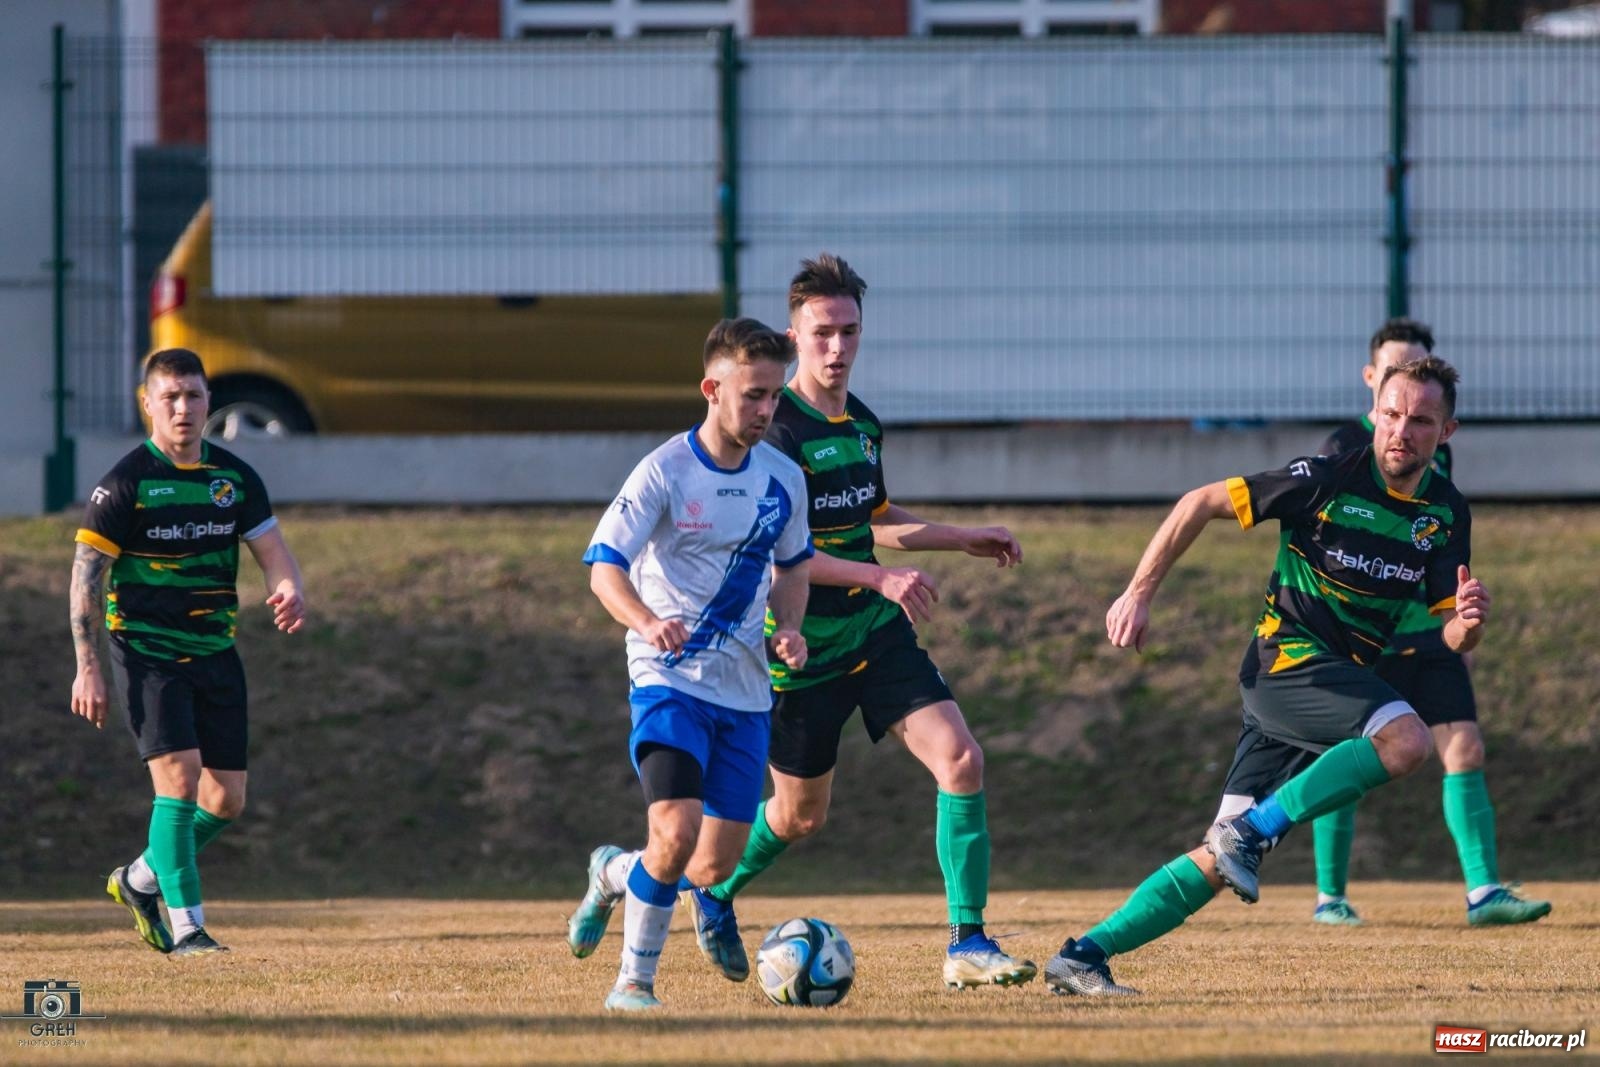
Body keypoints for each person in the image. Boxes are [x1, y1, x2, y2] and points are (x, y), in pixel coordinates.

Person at [1043, 354, 1487, 997]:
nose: (1401, 430)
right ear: (1374, 413)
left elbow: (1452, 632)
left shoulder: (1445, 513)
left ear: (1446, 432)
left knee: (1216, 862)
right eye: (1392, 414)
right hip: (1286, 662)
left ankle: (1082, 956)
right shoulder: (1328, 476)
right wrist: (1138, 593)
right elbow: (1199, 502)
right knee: (1407, 740)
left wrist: (1468, 623)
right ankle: (1252, 833)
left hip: (1330, 683)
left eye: (1421, 420)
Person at [682, 253, 1036, 991]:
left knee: (962, 759)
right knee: (799, 815)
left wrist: (957, 536)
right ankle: (710, 886)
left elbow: (872, 518)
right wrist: (880, 572)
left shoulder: (864, 422)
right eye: (822, 334)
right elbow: (789, 555)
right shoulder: (775, 435)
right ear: (793, 335)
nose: (838, 348)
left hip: (874, 633)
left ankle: (967, 941)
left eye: (849, 332)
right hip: (801, 645)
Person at [566, 317, 813, 1011]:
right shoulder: (664, 471)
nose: (766, 410)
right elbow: (604, 568)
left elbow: (793, 567)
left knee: (709, 865)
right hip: (667, 678)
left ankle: (613, 873)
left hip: (746, 694)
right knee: (673, 834)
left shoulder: (784, 478)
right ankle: (632, 985)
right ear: (712, 388)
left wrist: (787, 627)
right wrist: (647, 620)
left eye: (774, 396)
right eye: (753, 395)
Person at [1308, 319, 1549, 927]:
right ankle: (1329, 897)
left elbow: (1438, 539)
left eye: (1421, 370)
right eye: (1397, 372)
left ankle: (1484, 892)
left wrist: (1459, 622)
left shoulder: (1436, 457)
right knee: (1349, 759)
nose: (1409, 409)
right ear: (1374, 380)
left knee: (1464, 746)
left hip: (1429, 633)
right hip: (1367, 633)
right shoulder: (1344, 449)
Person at [71, 347, 306, 957]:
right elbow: (86, 579)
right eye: (169, 397)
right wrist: (88, 666)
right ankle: (188, 929)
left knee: (225, 799)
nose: (182, 408)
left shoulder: (233, 479)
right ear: (147, 403)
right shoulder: (124, 484)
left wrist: (287, 588)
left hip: (214, 649)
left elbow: (273, 552)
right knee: (177, 781)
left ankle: (140, 880)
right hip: (146, 651)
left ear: (208, 402)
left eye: (194, 396)